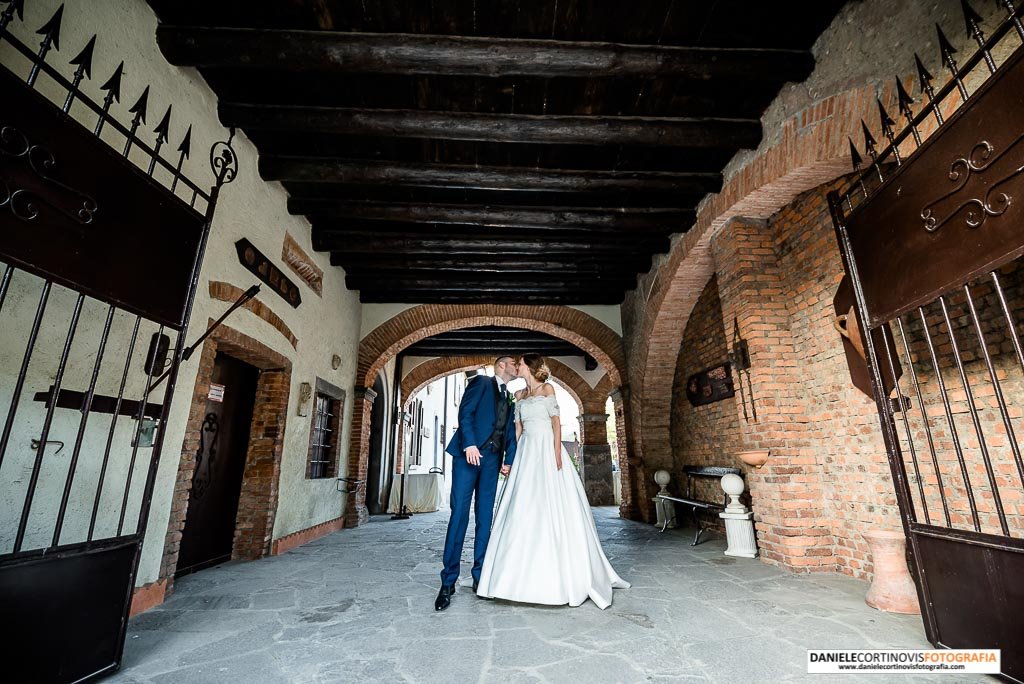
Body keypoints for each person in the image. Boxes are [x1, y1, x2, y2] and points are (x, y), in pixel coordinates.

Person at [476, 353, 629, 609]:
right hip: (526, 452)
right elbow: (517, 430)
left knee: (551, 501)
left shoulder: (548, 389)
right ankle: (510, 577)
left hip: (547, 448)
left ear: (530, 366)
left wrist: (557, 454)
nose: (517, 366)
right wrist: (511, 458)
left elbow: (556, 424)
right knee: (522, 504)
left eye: (520, 364)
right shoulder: (519, 395)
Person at [435, 356, 518, 612]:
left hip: (492, 461)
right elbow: (466, 412)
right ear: (502, 365)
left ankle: (480, 576)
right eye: (513, 363)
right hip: (467, 456)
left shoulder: (510, 397)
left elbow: (509, 431)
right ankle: (448, 581)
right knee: (459, 514)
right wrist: (469, 444)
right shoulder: (481, 382)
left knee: (485, 518)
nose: (517, 366)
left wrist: (509, 459)